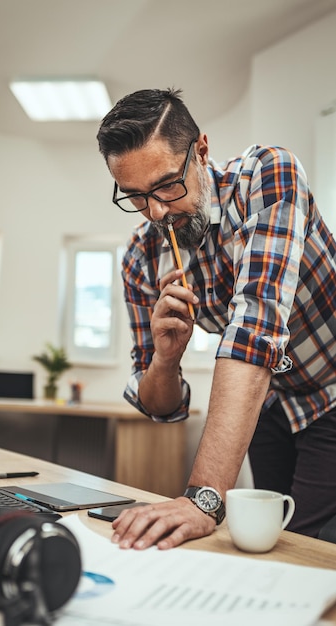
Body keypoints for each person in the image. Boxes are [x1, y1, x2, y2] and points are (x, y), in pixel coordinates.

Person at [96, 88, 336, 551]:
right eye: (136, 197)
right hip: (271, 403)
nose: (157, 212)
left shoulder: (266, 175)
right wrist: (164, 361)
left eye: (167, 185)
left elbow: (255, 327)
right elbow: (160, 408)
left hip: (331, 391)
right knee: (265, 540)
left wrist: (204, 499)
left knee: (308, 543)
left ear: (201, 151)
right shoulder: (139, 259)